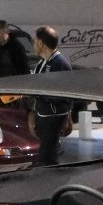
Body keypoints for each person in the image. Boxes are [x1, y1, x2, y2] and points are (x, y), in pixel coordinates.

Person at [31, 26, 73, 166]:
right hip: (44, 115)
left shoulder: (59, 64)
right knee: (46, 153)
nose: (34, 44)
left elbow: (64, 94)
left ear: (41, 43)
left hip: (54, 117)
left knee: (48, 156)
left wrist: (41, 96)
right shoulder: (42, 62)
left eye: (35, 41)